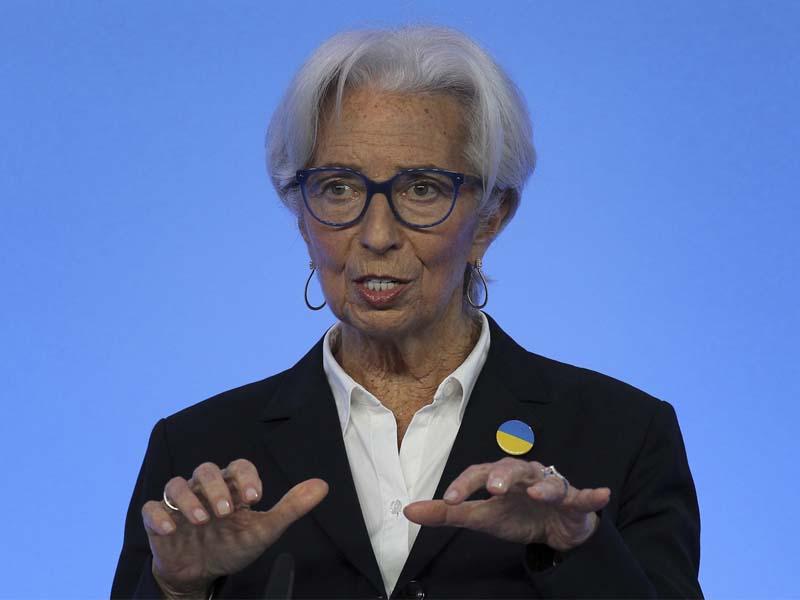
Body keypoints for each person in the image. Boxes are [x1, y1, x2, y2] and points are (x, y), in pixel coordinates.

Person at [111, 25, 702, 599]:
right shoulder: (196, 448)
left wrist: (578, 551)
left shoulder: (624, 435)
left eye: (421, 188)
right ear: (302, 217)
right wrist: (178, 589)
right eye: (338, 187)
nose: (376, 234)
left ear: (490, 218)